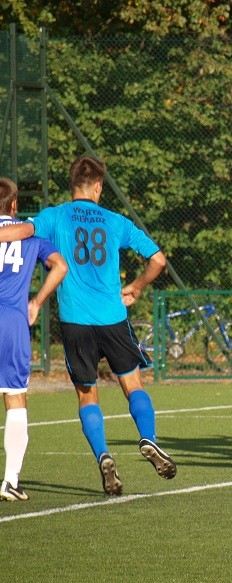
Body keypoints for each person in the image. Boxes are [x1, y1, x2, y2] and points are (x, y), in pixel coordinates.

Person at [0, 156, 176, 496]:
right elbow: (158, 259)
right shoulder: (116, 221)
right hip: (112, 317)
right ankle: (148, 438)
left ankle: (103, 455)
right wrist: (137, 287)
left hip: (75, 321)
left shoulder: (55, 216)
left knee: (86, 393)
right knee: (133, 384)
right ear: (98, 187)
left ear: (72, 186)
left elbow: (20, 231)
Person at [0, 179, 68, 501]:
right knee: (15, 398)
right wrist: (37, 302)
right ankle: (10, 480)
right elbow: (61, 266)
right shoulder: (32, 237)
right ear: (14, 205)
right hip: (12, 323)